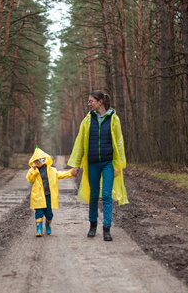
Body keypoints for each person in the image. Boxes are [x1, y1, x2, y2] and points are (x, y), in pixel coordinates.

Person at [68, 90, 128, 241]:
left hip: (108, 163)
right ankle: (92, 226)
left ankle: (107, 228)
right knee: (94, 195)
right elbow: (80, 143)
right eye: (88, 101)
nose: (89, 104)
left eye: (91, 101)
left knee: (107, 195)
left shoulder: (114, 119)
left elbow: (119, 143)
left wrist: (118, 163)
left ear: (100, 102)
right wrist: (76, 165)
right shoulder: (87, 120)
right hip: (92, 163)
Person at [26, 147, 73, 237]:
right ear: (33, 162)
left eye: (40, 160)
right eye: (36, 161)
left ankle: (48, 224)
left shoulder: (51, 170)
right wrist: (33, 170)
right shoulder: (33, 170)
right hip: (38, 196)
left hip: (48, 196)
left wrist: (70, 173)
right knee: (39, 213)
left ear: (44, 159)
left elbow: (61, 174)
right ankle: (39, 229)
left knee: (49, 214)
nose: (38, 162)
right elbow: (29, 179)